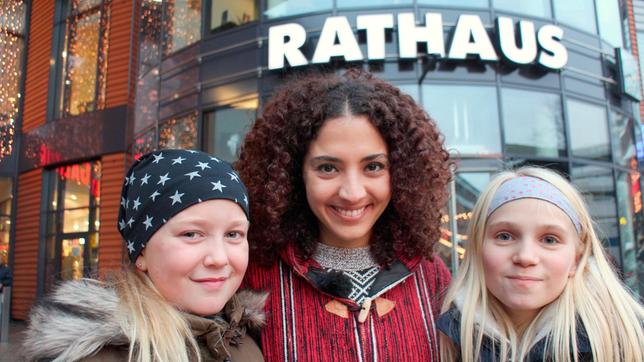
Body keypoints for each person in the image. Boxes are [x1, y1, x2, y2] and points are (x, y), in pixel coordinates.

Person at [237, 69, 452, 361]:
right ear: (293, 174)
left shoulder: (433, 276)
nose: (352, 193)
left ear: (402, 173)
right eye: (328, 168)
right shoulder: (252, 277)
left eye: (373, 166)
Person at [22, 149, 266, 362]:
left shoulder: (245, 338)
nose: (219, 258)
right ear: (141, 251)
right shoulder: (96, 355)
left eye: (233, 234)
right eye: (191, 234)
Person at [437, 167, 644, 361]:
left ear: (576, 259)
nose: (526, 257)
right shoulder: (444, 341)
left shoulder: (622, 343)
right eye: (505, 236)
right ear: (477, 250)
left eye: (549, 240)